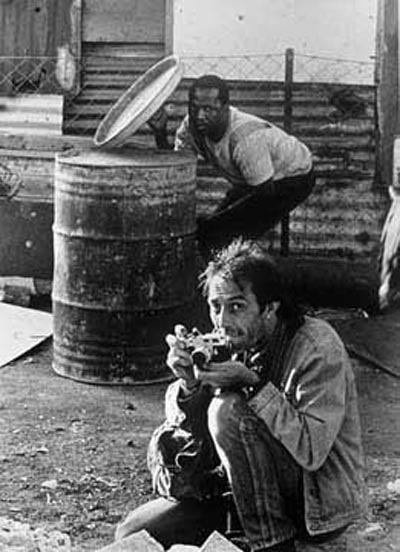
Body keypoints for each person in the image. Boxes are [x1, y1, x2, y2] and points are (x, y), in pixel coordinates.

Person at [115, 239, 365, 552]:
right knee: (133, 533)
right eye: (215, 307)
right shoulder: (230, 343)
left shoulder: (317, 346)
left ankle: (272, 544)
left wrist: (253, 384)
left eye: (236, 307)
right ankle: (249, 529)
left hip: (313, 506)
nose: (223, 322)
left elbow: (312, 450)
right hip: (239, 491)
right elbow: (193, 447)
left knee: (226, 411)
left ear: (269, 308)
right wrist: (189, 385)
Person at [149, 75, 315, 257]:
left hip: (292, 178)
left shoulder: (244, 138)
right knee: (212, 231)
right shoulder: (190, 127)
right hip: (254, 180)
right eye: (194, 108)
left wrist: (222, 224)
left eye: (208, 109)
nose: (200, 116)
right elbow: (177, 169)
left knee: (220, 236)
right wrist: (160, 132)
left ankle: (243, 271)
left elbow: (264, 195)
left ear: (225, 108)